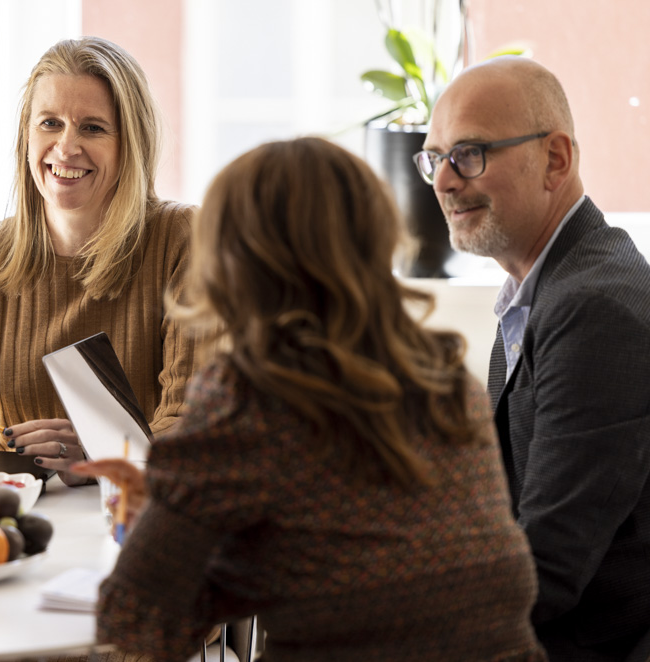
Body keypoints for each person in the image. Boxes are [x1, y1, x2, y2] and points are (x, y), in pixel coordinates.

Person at [73, 136, 546, 661]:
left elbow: (137, 624)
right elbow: (356, 565)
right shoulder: (445, 380)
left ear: (234, 260)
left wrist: (160, 518)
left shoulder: (249, 394)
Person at [0, 37, 203, 485]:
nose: (66, 148)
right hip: (13, 518)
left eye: (92, 128)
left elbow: (193, 431)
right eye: (50, 123)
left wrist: (103, 453)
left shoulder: (183, 239)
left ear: (131, 142)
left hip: (134, 520)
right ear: (26, 137)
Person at [418, 56, 650, 661]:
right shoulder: (543, 284)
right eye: (434, 158)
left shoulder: (594, 306)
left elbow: (546, 567)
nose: (444, 181)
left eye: (469, 153)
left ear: (555, 159)